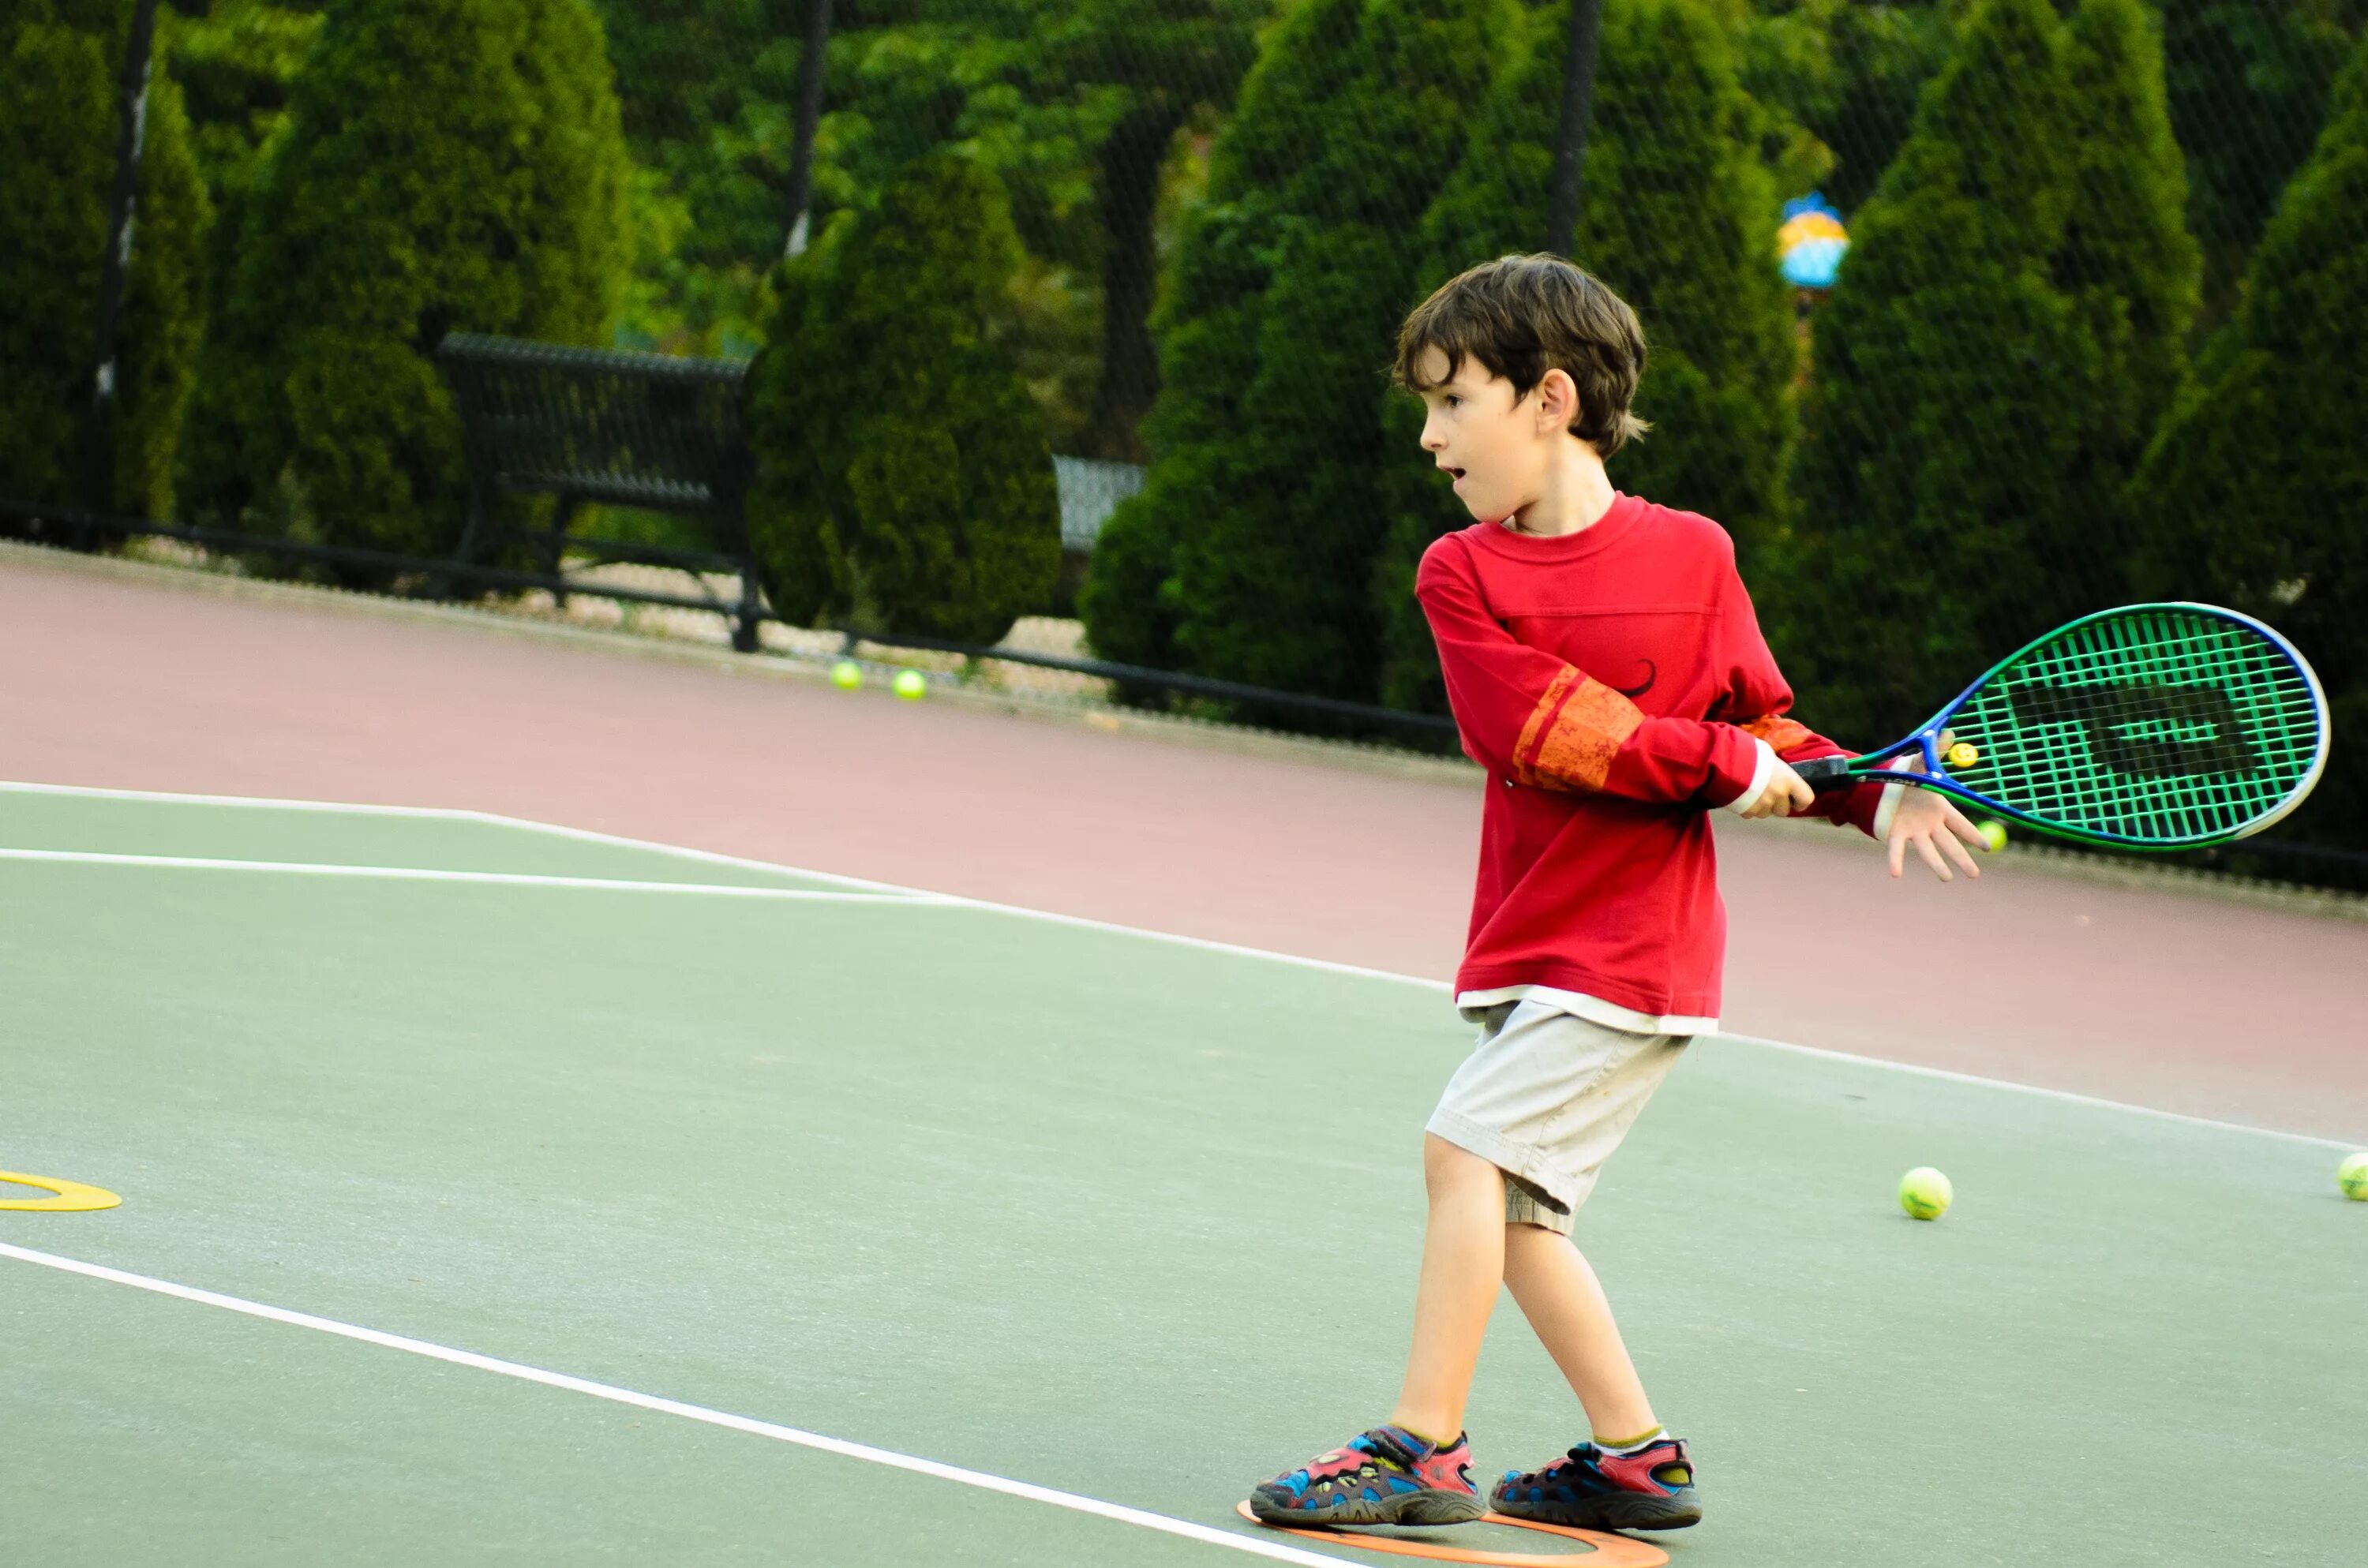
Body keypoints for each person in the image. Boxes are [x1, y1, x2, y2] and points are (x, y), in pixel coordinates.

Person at [1246, 255, 1986, 1535]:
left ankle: (1419, 1446)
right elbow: (1545, 730)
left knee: (1461, 1152)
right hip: (1527, 938)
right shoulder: (1460, 573)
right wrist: (1723, 763)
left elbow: (1763, 727)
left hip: (1635, 951)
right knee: (1522, 1211)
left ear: (1548, 398)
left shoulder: (1695, 556)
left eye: (1450, 402)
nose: (1429, 438)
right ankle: (1637, 1459)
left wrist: (1880, 790)